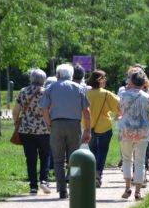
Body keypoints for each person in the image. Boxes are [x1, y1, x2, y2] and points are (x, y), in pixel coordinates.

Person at [39, 63, 91, 199]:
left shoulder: (50, 88)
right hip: (74, 124)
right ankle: (74, 186)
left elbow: (44, 108)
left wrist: (49, 122)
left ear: (58, 74)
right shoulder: (79, 88)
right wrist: (88, 129)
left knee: (58, 160)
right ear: (71, 74)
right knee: (74, 159)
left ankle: (62, 189)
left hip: (56, 124)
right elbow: (86, 111)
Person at [118, 69, 149, 201]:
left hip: (126, 132)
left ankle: (127, 187)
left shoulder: (123, 95)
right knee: (140, 162)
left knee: (127, 159)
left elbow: (119, 111)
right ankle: (138, 192)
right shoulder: (148, 97)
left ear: (132, 81)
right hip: (142, 132)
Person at [13, 68, 51, 195]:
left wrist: (16, 123)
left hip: (26, 129)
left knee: (30, 158)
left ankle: (33, 187)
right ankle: (44, 181)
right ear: (44, 80)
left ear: (31, 78)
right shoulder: (47, 92)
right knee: (45, 156)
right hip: (44, 129)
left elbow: (16, 110)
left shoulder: (23, 91)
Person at [85, 70, 121, 188]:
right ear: (100, 80)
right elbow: (121, 106)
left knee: (92, 151)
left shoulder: (85, 93)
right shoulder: (106, 94)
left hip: (89, 126)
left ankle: (91, 174)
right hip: (104, 126)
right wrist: (118, 115)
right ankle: (98, 174)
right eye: (104, 78)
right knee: (103, 152)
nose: (106, 80)